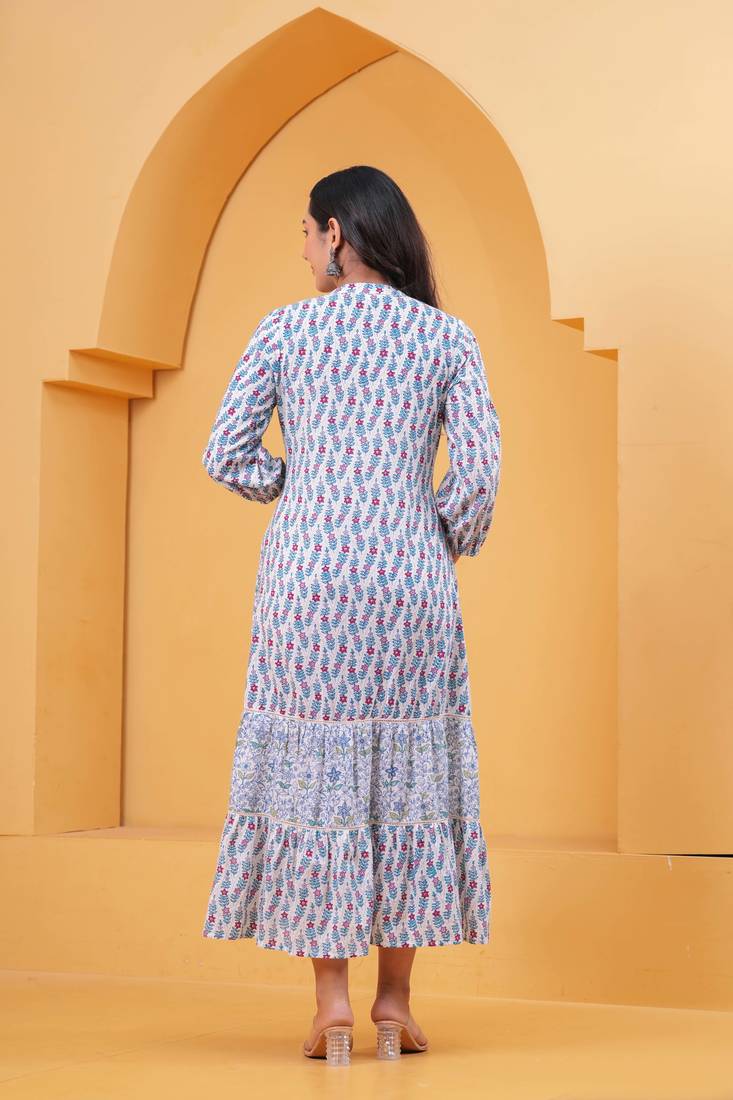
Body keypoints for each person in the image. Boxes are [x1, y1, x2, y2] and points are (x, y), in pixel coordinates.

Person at [200, 165, 502, 1065]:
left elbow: (225, 452)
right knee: (409, 777)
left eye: (305, 232)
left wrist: (301, 494)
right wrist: (431, 537)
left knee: (316, 780)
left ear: (336, 232)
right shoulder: (445, 337)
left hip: (305, 583)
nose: (302, 249)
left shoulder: (285, 331)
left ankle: (330, 1005)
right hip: (408, 583)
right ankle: (394, 1004)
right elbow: (478, 476)